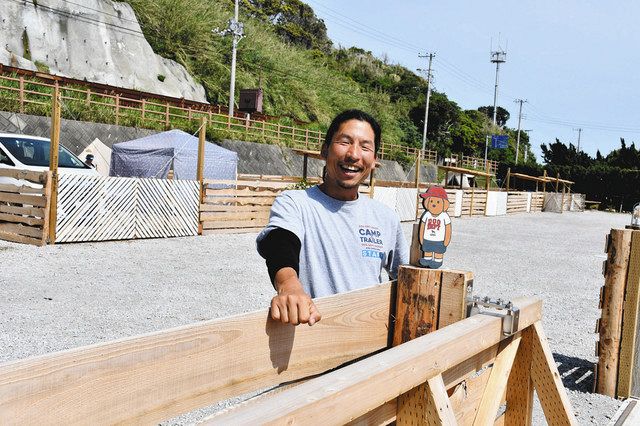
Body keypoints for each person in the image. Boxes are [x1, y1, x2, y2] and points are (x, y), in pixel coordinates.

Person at [256, 109, 409, 326]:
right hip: (314, 339)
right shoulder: (296, 203)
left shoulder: (386, 217)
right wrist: (289, 286)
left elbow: (405, 279)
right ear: (325, 150)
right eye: (345, 142)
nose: (354, 154)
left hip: (372, 345)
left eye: (365, 147)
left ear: (374, 160)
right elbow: (281, 241)